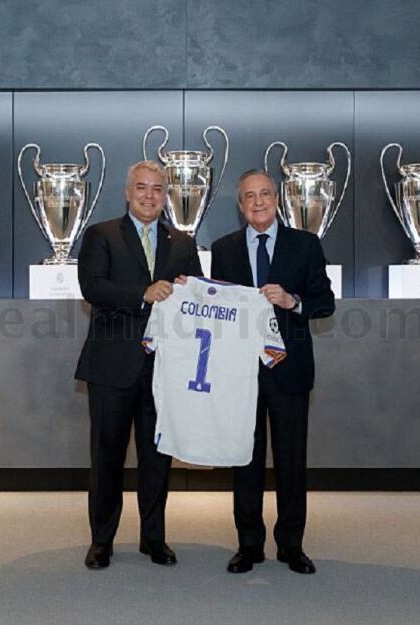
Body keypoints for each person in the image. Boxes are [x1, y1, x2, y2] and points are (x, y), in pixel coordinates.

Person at [74, 160, 203, 570]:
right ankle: (101, 541)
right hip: (112, 367)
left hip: (165, 368)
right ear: (128, 193)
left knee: (156, 459)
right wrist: (142, 294)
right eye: (142, 188)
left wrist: (190, 291)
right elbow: (93, 287)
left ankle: (154, 538)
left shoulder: (182, 242)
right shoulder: (101, 234)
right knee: (106, 457)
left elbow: (197, 298)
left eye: (158, 189)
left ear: (166, 196)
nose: (150, 196)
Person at [210, 168, 336, 574]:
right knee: (244, 461)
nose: (258, 202)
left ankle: (291, 546)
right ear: (241, 204)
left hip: (290, 371)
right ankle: (249, 545)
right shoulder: (223, 248)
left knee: (290, 462)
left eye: (265, 194)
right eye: (249, 196)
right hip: (241, 375)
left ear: (277, 199)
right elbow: (217, 308)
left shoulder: (306, 244)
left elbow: (325, 302)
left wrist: (292, 301)